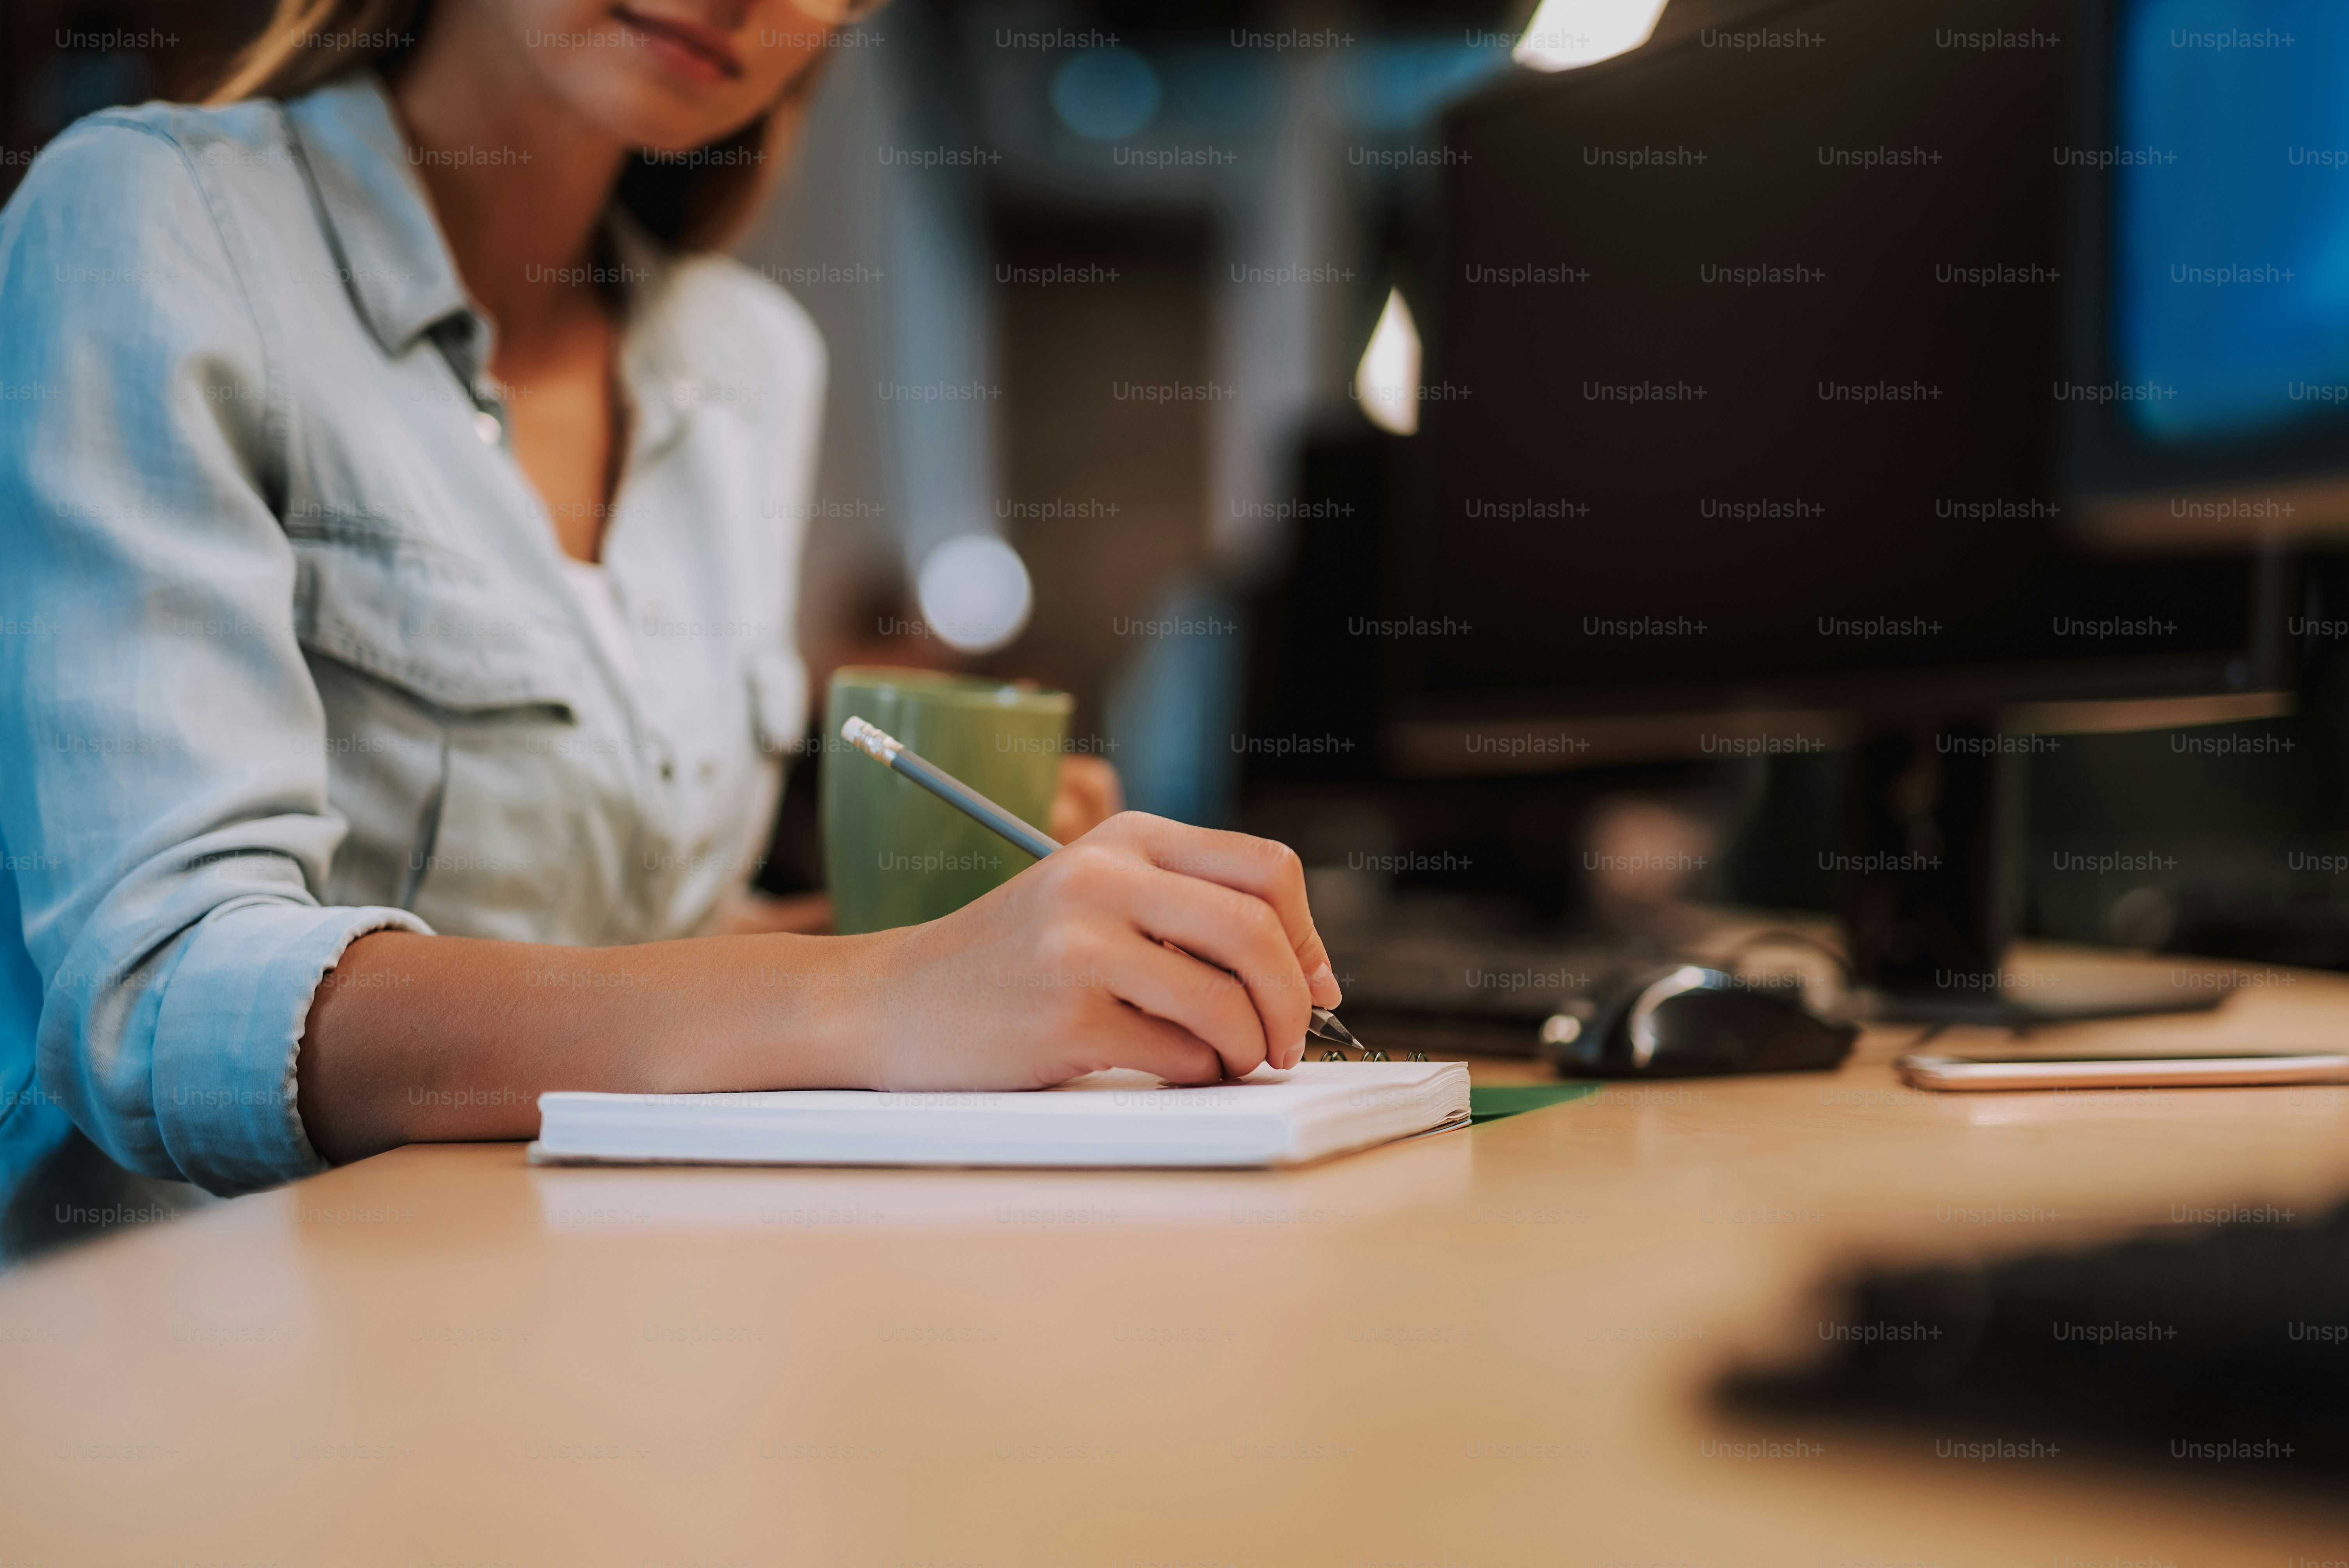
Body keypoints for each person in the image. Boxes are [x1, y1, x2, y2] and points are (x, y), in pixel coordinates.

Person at [0, 0, 1341, 1257]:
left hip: (609, 1306)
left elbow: (627, 950)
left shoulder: (746, 360)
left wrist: (978, 941)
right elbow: (164, 1003)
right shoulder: (150, 221)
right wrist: (879, 993)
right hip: (205, 1352)